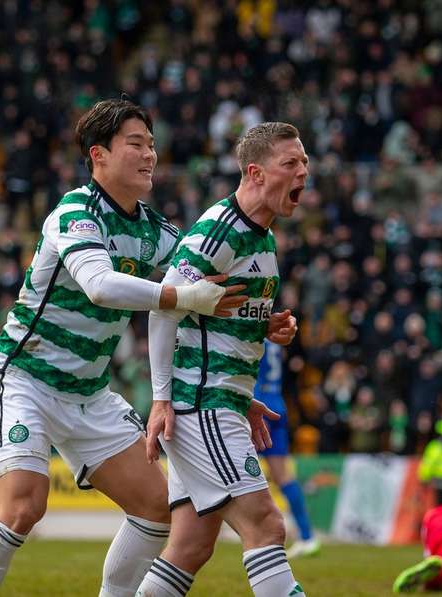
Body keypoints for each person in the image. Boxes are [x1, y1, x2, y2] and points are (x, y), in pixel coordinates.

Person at [0, 98, 276, 597]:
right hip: (25, 380)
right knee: (23, 506)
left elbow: (202, 290)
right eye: (136, 144)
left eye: (151, 144)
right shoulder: (75, 212)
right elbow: (102, 286)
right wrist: (179, 294)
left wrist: (259, 331)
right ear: (98, 154)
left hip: (91, 393)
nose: (150, 154)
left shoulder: (156, 231)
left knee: (157, 508)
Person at [137, 122, 307, 597]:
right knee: (267, 527)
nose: (303, 172)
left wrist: (268, 325)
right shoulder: (217, 232)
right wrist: (161, 399)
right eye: (290, 163)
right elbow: (163, 307)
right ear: (255, 172)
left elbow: (212, 316)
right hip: (200, 404)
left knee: (191, 545)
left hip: (220, 401)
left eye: (305, 163)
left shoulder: (264, 236)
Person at [255, 338, 320, 559]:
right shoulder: (274, 342)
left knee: (236, 469)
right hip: (277, 406)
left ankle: (256, 533)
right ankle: (307, 536)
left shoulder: (251, 333)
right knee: (283, 476)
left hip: (258, 406)